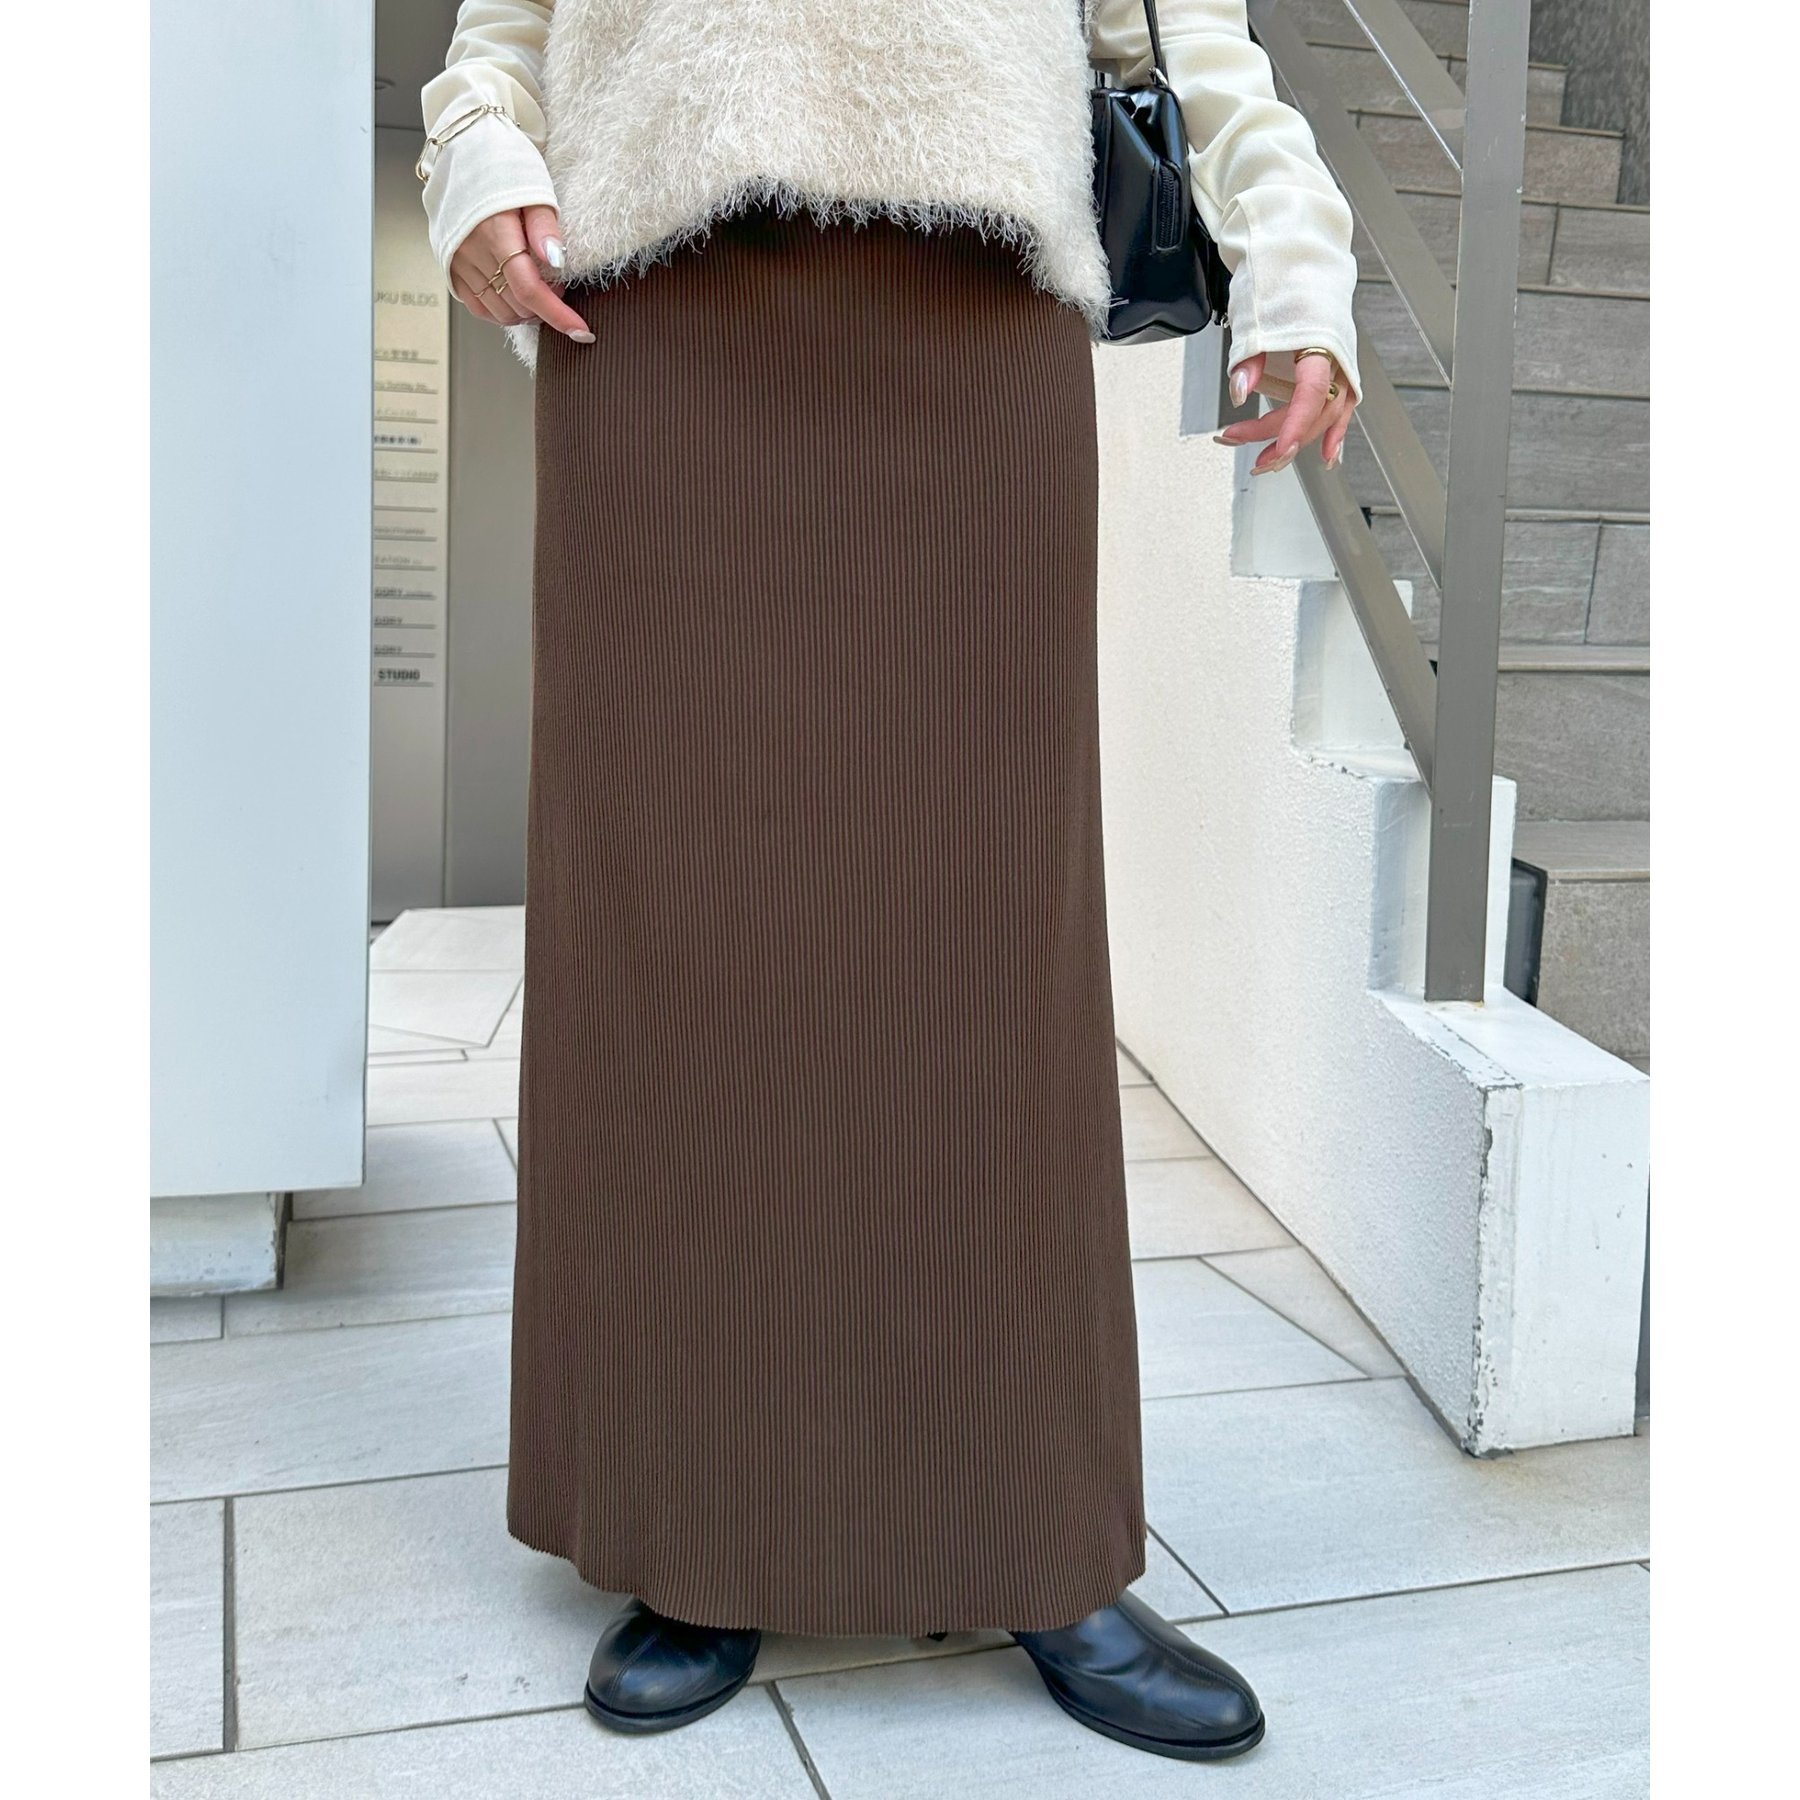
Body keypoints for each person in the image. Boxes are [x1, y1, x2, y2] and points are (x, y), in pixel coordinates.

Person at [419, 0, 1360, 1765]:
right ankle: (696, 1523)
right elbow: (503, 38)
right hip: (663, 321)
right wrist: (478, 162)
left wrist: (1296, 264)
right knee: (681, 938)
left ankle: (1036, 1539)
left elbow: (1182, 36)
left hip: (967, 316)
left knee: (982, 944)